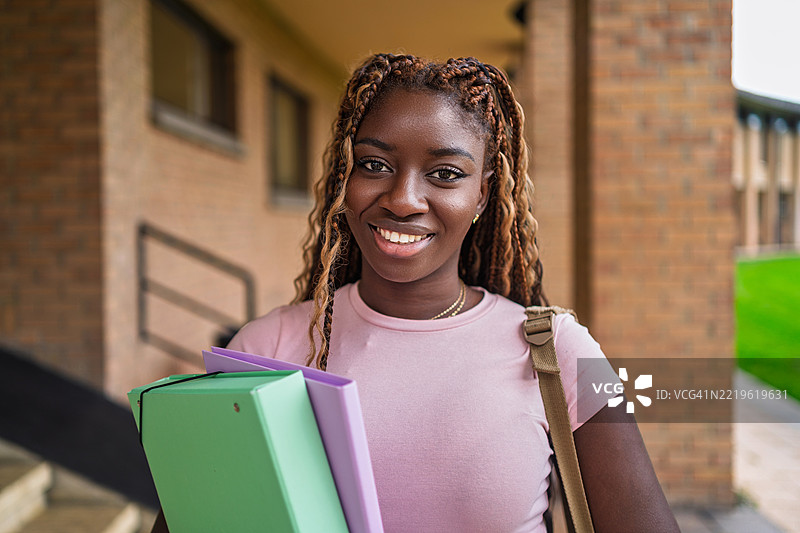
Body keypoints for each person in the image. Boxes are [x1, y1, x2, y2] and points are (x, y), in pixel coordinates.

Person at [152, 53, 679, 532]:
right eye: (374, 165)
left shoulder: (558, 351)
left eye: (445, 173)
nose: (403, 199)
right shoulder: (264, 351)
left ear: (482, 194)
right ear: (345, 178)